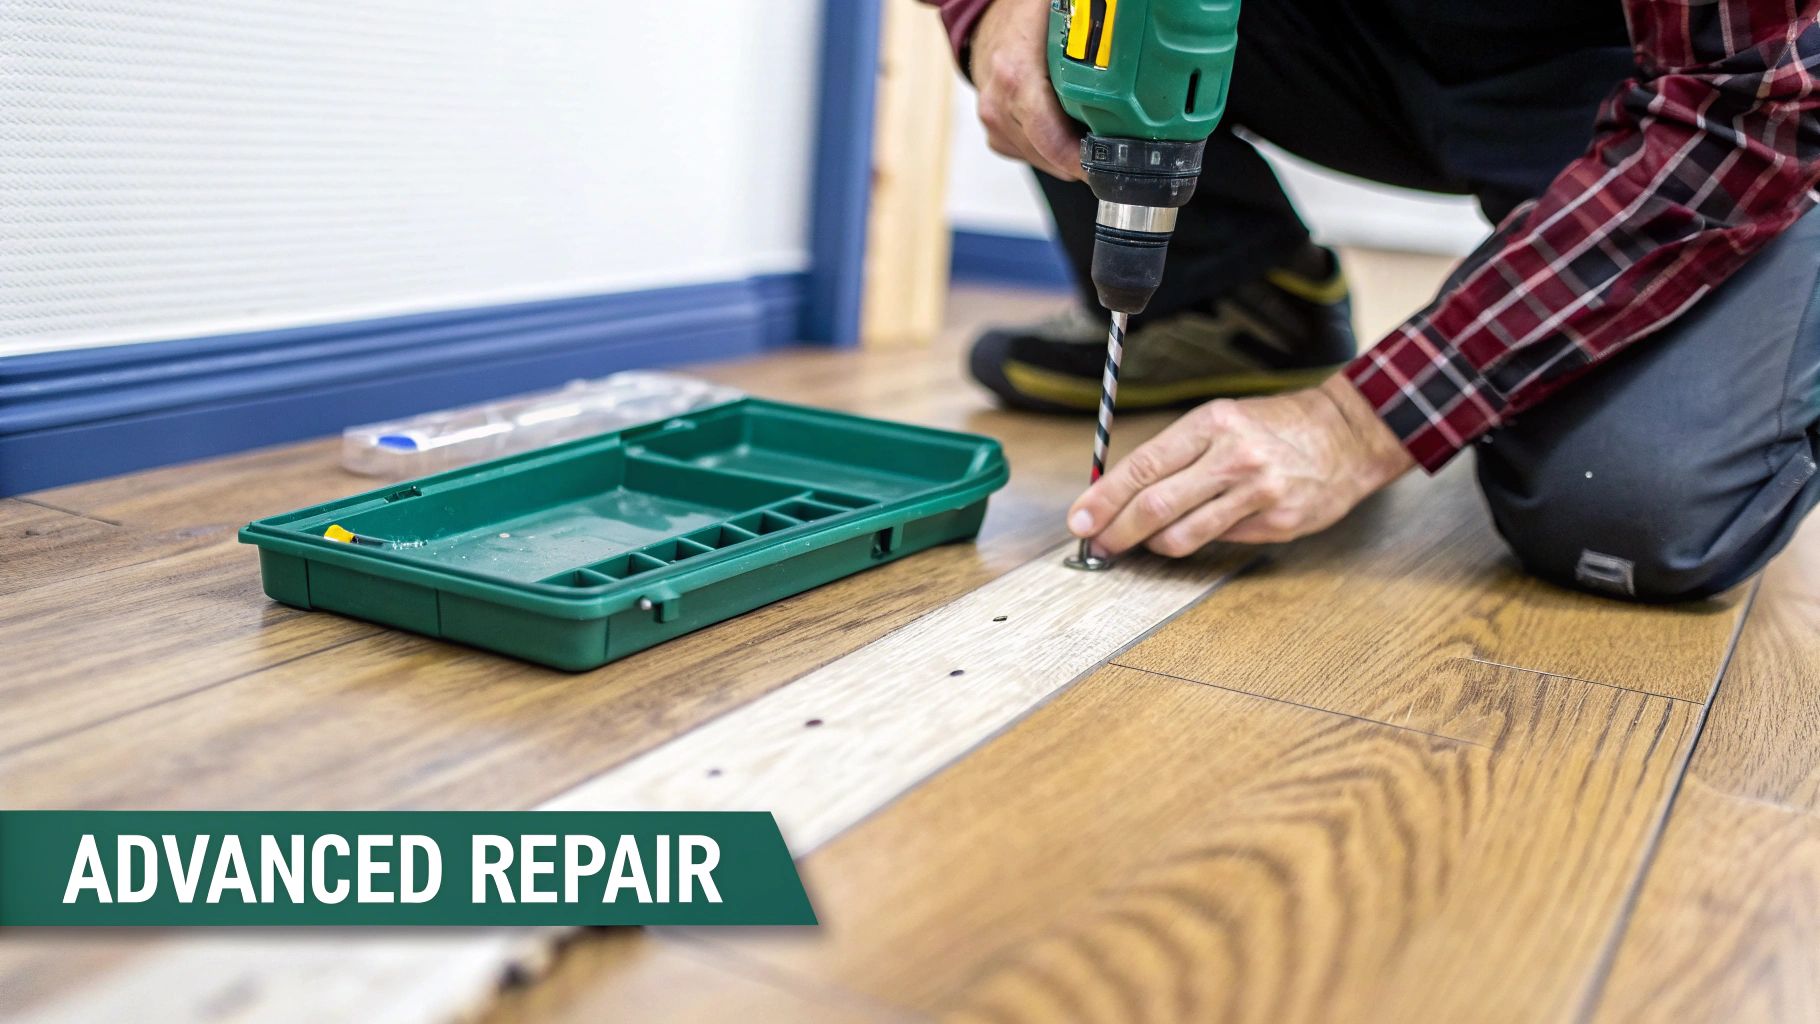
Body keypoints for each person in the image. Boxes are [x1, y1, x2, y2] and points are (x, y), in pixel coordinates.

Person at [925, 0, 1820, 601]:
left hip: (1652, 84)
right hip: (1362, 32)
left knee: (1626, 505)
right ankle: (1238, 304)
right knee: (1092, 20)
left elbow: (1739, 114)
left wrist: (1356, 425)